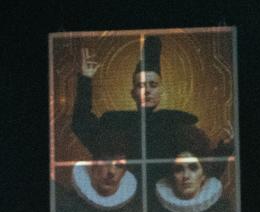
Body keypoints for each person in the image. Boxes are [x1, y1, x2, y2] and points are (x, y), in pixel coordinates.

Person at [72, 35, 201, 162]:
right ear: (133, 93)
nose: (147, 91)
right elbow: (81, 124)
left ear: (161, 91)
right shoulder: (115, 123)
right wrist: (86, 78)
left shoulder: (177, 123)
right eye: (141, 85)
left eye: (153, 85)